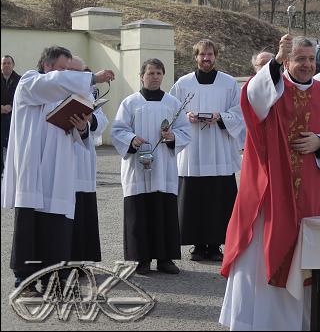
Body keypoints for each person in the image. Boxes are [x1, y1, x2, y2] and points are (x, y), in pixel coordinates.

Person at [219, 34, 320, 331]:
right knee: (260, 262)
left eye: (310, 59)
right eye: (300, 59)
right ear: (288, 61)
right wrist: (275, 62)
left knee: (307, 267)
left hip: (310, 198)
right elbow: (251, 99)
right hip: (272, 194)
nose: (307, 65)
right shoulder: (274, 89)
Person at [1, 46, 114, 294]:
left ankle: (56, 280)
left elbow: (79, 134)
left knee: (57, 229)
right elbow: (53, 83)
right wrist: (91, 77)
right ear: (47, 66)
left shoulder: (66, 95)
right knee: (30, 228)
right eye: (62, 68)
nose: (66, 74)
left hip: (59, 170)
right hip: (32, 170)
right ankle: (25, 280)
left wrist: (82, 127)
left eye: (68, 70)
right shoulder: (29, 82)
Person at [111, 58, 191, 275]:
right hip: (138, 166)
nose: (155, 77)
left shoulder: (172, 103)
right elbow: (117, 130)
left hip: (164, 166)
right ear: (141, 76)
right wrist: (131, 138)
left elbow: (185, 131)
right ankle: (141, 259)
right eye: (150, 73)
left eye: (158, 73)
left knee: (164, 210)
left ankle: (165, 259)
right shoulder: (130, 102)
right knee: (140, 212)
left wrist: (172, 136)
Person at [170, 40, 245, 262]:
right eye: (202, 54)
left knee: (218, 198)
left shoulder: (229, 83)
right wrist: (187, 117)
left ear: (216, 56)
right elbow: (172, 110)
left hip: (219, 148)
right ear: (195, 57)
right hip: (192, 150)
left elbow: (239, 112)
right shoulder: (183, 84)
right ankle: (197, 245)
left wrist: (220, 116)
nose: (206, 58)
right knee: (194, 198)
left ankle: (215, 246)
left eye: (210, 54)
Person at [68, 57, 109, 262]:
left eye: (84, 72)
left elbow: (102, 121)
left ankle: (83, 259)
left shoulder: (90, 94)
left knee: (83, 210)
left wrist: (91, 118)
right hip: (63, 160)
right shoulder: (55, 92)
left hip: (84, 159)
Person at [1, 55, 20, 176]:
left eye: (8, 63)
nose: (6, 65)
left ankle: (12, 171)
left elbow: (22, 97)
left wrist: (12, 107)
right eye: (4, 63)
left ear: (13, 65)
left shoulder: (20, 80)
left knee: (12, 147)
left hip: (13, 118)